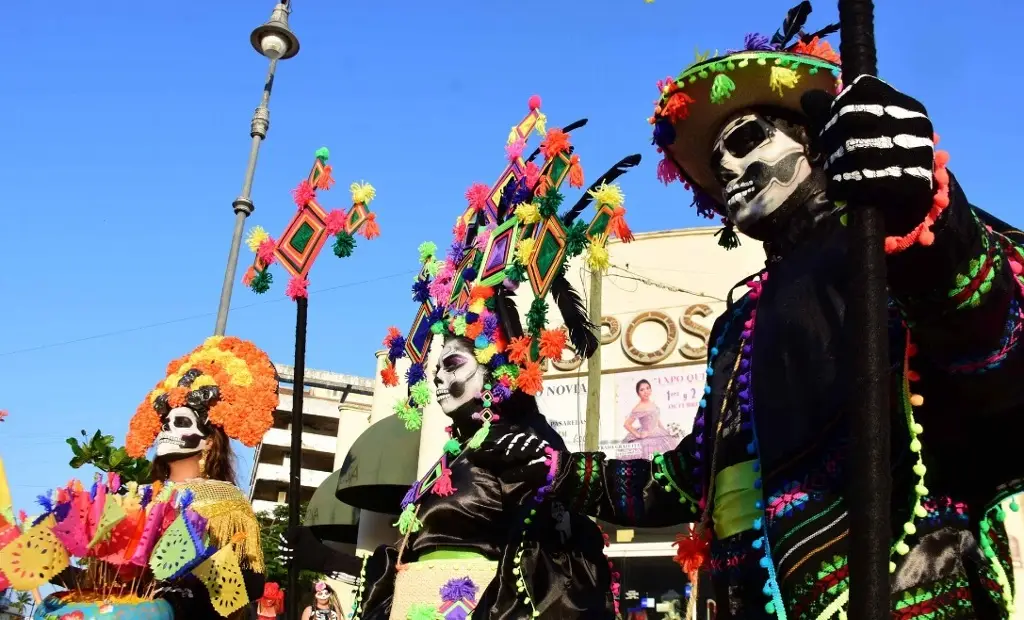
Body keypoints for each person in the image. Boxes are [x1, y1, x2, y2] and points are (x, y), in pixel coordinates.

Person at [469, 4, 1024, 618]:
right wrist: (555, 467)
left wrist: (925, 220)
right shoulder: (740, 324)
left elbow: (995, 345)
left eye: (747, 139)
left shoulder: (881, 240)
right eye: (717, 158)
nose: (729, 166)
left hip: (909, 593)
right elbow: (684, 480)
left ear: (814, 143)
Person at [281, 97, 642, 618]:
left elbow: (551, 563)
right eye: (437, 368)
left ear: (496, 365)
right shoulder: (454, 458)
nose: (442, 380)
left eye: (453, 365)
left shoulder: (522, 449)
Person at [125, 335, 279, 619]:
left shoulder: (229, 502)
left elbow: (251, 581)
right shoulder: (140, 498)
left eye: (181, 422)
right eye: (165, 424)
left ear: (208, 442)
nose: (166, 431)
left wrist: (193, 578)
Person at [622, 378, 676, 459]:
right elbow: (627, 424)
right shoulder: (638, 408)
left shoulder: (652, 403)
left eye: (647, 388)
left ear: (651, 390)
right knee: (650, 461)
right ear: (638, 393)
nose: (646, 391)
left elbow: (656, 419)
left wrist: (664, 431)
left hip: (658, 433)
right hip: (647, 438)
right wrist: (638, 435)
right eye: (642, 390)